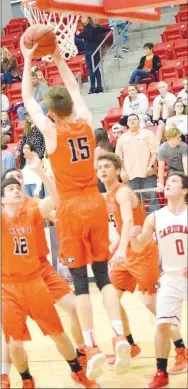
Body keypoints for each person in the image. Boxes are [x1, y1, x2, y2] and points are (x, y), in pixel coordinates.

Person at [20, 36, 131, 381]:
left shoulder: (52, 133)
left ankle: (91, 344)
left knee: (81, 283)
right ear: (72, 103)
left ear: (51, 111)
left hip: (69, 207)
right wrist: (57, 56)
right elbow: (73, 87)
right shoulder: (84, 117)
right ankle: (118, 334)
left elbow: (25, 98)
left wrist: (27, 59)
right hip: (95, 202)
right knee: (104, 276)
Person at [1, 154, 99, 389]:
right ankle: (26, 379)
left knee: (57, 332)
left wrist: (41, 172)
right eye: (10, 188)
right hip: (8, 286)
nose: (15, 190)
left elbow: (56, 199)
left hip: (35, 280)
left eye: (18, 186)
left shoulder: (32, 210)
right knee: (13, 344)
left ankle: (77, 370)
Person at [97, 152, 160, 360]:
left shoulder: (122, 192)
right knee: (111, 300)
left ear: (117, 170)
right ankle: (131, 346)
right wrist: (112, 250)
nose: (103, 170)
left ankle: (181, 349)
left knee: (151, 304)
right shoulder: (107, 196)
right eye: (100, 168)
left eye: (107, 166)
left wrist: (122, 249)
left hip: (141, 251)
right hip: (126, 252)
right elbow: (121, 228)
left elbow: (129, 222)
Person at [130, 172, 188, 388]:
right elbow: (138, 247)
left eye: (174, 181)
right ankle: (161, 374)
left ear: (184, 190)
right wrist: (133, 236)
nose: (167, 184)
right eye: (167, 181)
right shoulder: (154, 217)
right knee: (162, 325)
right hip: (171, 278)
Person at [116, 114, 160, 213]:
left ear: (139, 121)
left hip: (148, 174)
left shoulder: (148, 134)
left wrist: (151, 166)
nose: (132, 121)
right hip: (130, 177)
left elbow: (155, 152)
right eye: (130, 120)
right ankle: (140, 226)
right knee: (134, 204)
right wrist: (122, 172)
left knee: (153, 201)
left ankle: (156, 226)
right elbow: (118, 158)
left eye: (134, 119)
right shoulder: (122, 138)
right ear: (127, 123)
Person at [78, 17, 110, 94]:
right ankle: (99, 86)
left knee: (92, 69)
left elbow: (89, 36)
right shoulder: (92, 27)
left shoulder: (89, 28)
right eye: (82, 18)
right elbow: (101, 29)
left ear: (88, 19)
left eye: (84, 17)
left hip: (90, 50)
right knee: (95, 69)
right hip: (94, 49)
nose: (82, 19)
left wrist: (81, 35)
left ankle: (93, 87)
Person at [157, 126, 188, 192]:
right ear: (171, 139)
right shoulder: (162, 149)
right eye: (178, 137)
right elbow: (161, 167)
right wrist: (161, 184)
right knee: (173, 180)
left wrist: (186, 179)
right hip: (173, 169)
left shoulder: (184, 146)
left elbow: (185, 163)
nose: (180, 139)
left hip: (184, 168)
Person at [94, 128, 114, 192]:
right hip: (111, 176)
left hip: (102, 177)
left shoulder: (98, 149)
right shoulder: (109, 147)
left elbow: (95, 166)